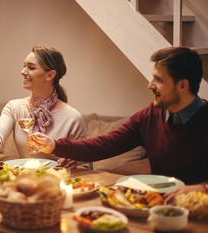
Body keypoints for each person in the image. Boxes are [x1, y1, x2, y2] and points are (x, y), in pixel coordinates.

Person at [30, 47, 208, 185]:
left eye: (158, 80)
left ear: (182, 86)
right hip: (159, 206)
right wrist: (54, 145)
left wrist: (202, 188)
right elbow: (104, 145)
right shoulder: (149, 116)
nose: (150, 85)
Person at [0, 45, 88, 170]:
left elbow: (85, 167)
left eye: (31, 67)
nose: (22, 72)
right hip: (22, 181)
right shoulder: (14, 107)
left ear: (50, 75)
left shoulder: (73, 118)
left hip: (56, 185)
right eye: (24, 66)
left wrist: (73, 167)